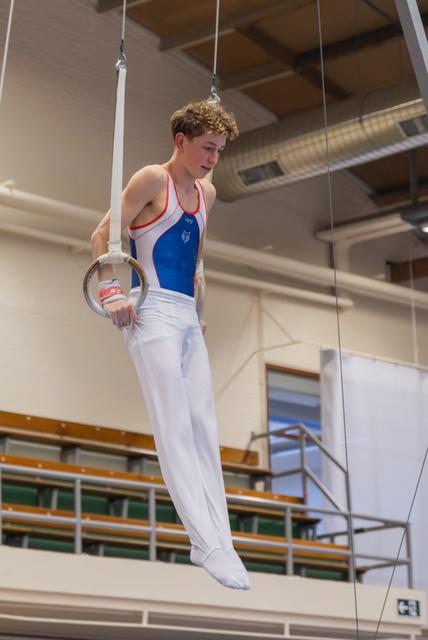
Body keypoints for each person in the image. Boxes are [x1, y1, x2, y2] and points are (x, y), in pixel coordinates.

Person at [90, 100, 251, 590]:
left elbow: (196, 257)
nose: (212, 159)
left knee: (205, 426)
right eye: (207, 148)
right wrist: (111, 289)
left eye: (219, 151)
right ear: (181, 141)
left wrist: (199, 314)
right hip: (151, 310)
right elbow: (102, 234)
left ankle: (221, 542)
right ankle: (204, 541)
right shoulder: (151, 180)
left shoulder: (209, 193)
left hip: (184, 316)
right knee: (175, 425)